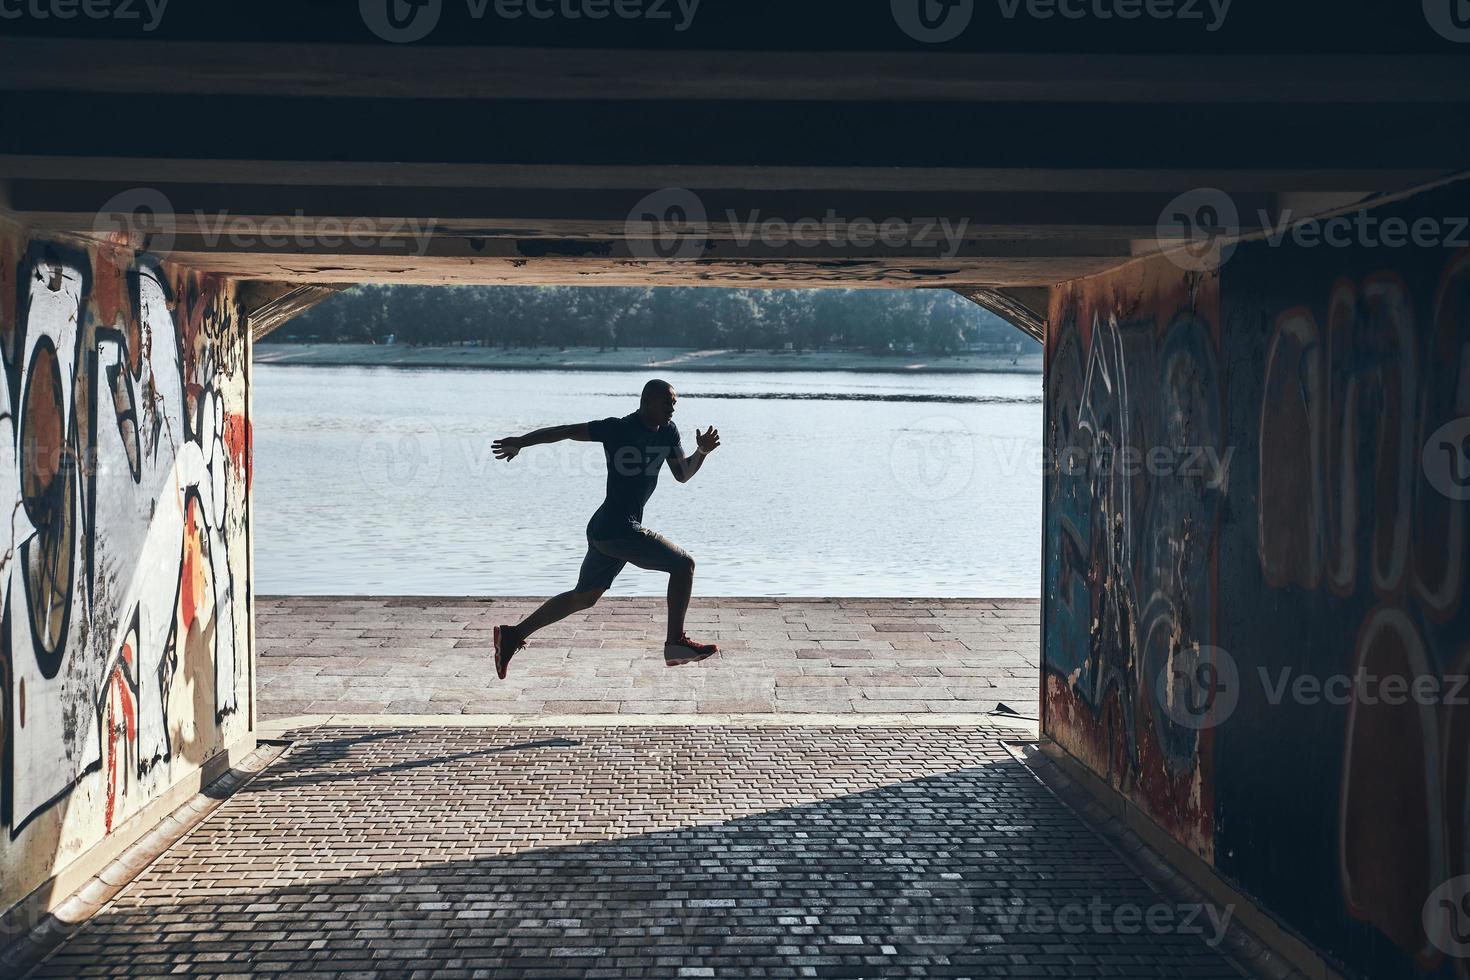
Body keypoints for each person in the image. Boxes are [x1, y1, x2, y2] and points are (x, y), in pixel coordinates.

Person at [489, 379, 722, 679]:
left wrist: (701, 452)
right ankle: (675, 643)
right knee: (683, 565)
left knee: (583, 597)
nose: (672, 409)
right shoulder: (617, 429)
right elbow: (566, 431)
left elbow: (682, 474)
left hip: (609, 529)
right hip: (616, 528)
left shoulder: (668, 432)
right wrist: (521, 441)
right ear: (647, 400)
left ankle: (512, 635)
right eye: (668, 403)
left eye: (675, 404)